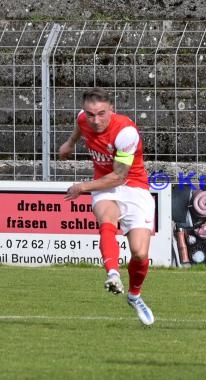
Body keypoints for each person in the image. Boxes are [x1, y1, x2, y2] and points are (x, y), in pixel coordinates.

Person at [59, 87, 156, 326]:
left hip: (133, 185)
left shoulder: (125, 132)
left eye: (101, 114)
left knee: (140, 253)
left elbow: (119, 176)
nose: (95, 120)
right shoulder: (83, 120)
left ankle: (134, 295)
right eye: (90, 114)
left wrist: (81, 187)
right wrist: (70, 143)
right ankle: (112, 273)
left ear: (111, 109)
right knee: (107, 220)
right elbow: (79, 129)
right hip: (105, 187)